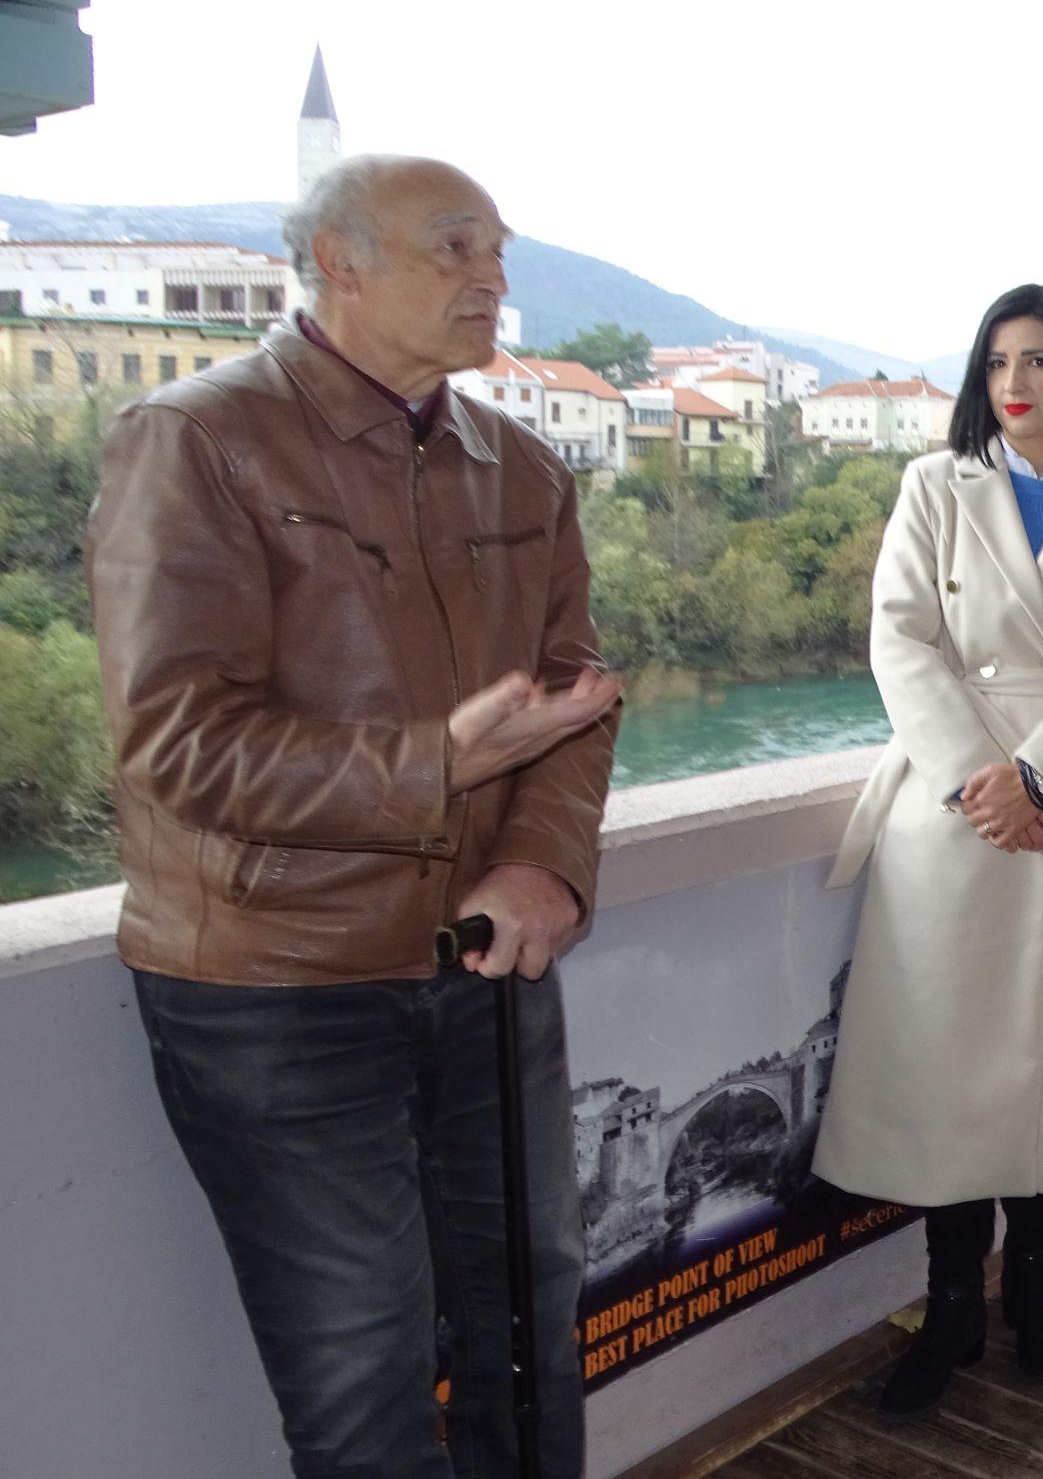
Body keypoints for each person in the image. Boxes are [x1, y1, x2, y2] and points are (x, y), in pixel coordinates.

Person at [86, 153, 623, 1479]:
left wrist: (543, 864)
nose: (492, 277)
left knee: (530, 1341)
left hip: (490, 966)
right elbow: (176, 742)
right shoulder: (197, 439)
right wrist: (433, 760)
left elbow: (576, 697)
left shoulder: (521, 464)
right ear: (339, 261)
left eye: (498, 249)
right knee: (366, 1392)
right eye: (455, 247)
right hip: (279, 987)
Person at [814, 283, 1043, 1419]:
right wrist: (986, 781)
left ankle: (1034, 1279)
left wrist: (1038, 776)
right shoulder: (933, 486)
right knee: (947, 1060)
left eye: (1040, 360)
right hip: (954, 802)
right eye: (998, 363)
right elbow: (899, 637)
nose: (1015, 384)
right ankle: (950, 1303)